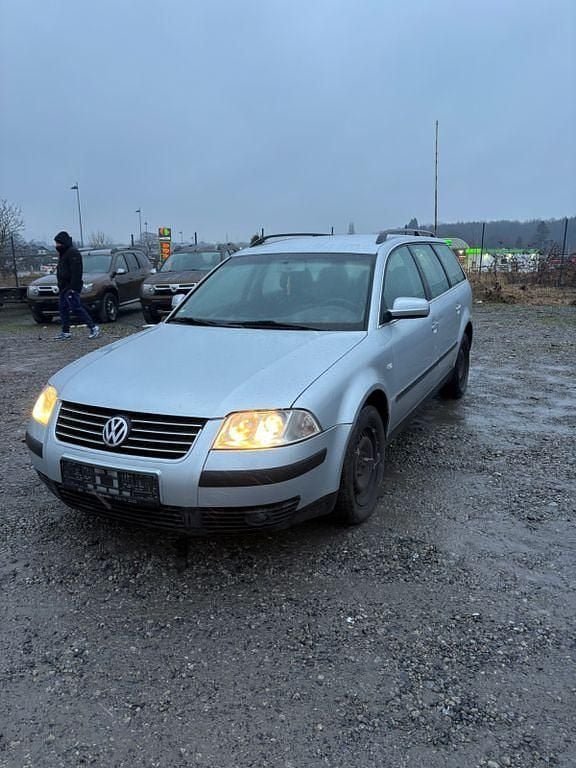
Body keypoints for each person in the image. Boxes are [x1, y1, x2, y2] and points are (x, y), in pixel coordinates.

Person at [53, 231, 101, 340]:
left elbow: (76, 272)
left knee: (76, 308)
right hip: (63, 287)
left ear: (63, 243)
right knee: (63, 309)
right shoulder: (63, 254)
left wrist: (73, 288)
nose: (56, 246)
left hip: (71, 288)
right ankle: (65, 332)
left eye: (57, 243)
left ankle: (93, 327)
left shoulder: (72, 253)